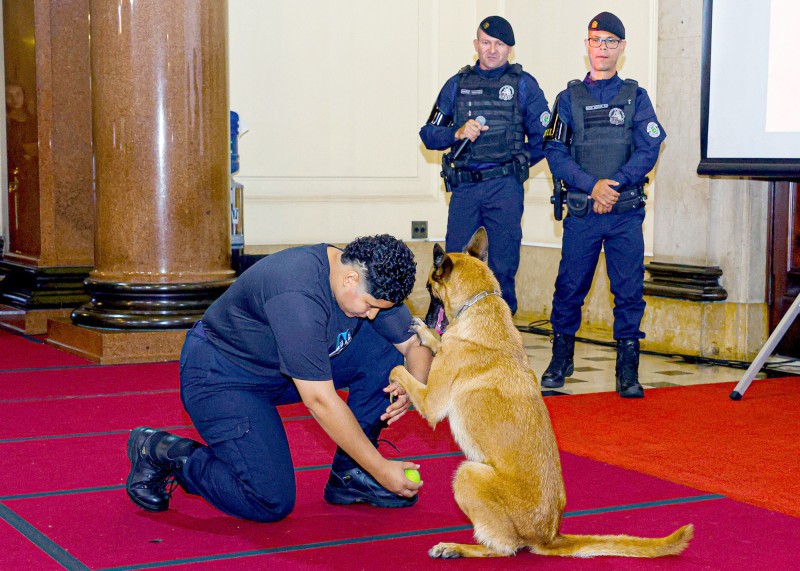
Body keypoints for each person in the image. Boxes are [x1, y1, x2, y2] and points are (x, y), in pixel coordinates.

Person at [126, 235, 433, 522]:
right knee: (269, 500)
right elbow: (319, 400)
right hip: (223, 376)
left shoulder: (370, 279)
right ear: (350, 279)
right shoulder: (297, 293)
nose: (370, 315)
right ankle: (162, 451)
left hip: (281, 371)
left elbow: (414, 344)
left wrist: (413, 384)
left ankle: (350, 475)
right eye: (369, 306)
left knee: (388, 356)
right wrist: (380, 469)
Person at [542, 12, 666, 398]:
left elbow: (650, 147)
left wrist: (614, 185)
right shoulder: (567, 99)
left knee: (628, 292)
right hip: (582, 213)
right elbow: (555, 152)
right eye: (597, 41)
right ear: (587, 46)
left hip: (625, 212)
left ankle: (627, 369)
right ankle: (560, 359)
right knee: (568, 289)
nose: (603, 49)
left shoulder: (636, 97)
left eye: (611, 42)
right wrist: (591, 186)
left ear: (622, 48)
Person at [420, 15, 550, 315]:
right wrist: (456, 132)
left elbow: (546, 139)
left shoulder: (523, 86)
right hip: (466, 187)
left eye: (500, 44)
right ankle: (442, 329)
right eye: (487, 43)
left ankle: (503, 334)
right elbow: (428, 134)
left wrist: (516, 162)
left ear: (510, 49)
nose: (492, 50)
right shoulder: (458, 85)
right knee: (451, 264)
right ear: (476, 44)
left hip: (504, 188)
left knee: (503, 266)